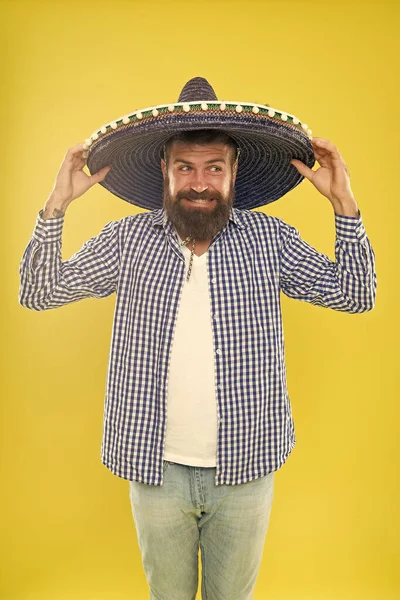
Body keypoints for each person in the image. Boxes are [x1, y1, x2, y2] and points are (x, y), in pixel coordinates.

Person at [19, 77, 377, 600]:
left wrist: (344, 205)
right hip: (154, 466)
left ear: (234, 173)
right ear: (164, 170)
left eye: (214, 167)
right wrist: (57, 205)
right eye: (185, 167)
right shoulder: (128, 239)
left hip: (246, 465)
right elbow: (39, 291)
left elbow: (355, 293)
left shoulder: (269, 239)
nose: (199, 182)